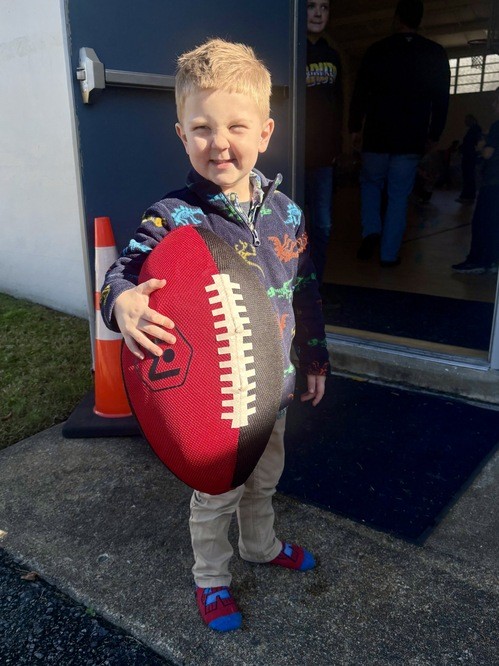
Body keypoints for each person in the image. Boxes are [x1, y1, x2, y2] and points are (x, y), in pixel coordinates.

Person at [100, 38, 330, 632]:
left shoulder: (288, 214)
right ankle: (211, 578)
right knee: (217, 494)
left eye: (236, 126)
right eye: (201, 127)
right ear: (182, 135)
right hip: (214, 402)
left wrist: (314, 360)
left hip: (274, 391)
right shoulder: (173, 216)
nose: (219, 142)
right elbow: (123, 271)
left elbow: (305, 292)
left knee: (266, 478)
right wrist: (122, 300)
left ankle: (260, 545)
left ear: (265, 132)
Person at [349, 0, 450, 267]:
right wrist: (434, 134)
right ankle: (388, 254)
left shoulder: (377, 50)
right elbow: (441, 99)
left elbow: (360, 93)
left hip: (377, 136)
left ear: (396, 18)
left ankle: (371, 230)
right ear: (420, 20)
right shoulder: (434, 53)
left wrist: (355, 127)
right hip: (410, 139)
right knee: (398, 196)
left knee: (371, 185)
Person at [305, 0, 343, 285]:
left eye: (324, 7)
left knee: (322, 224)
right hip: (294, 155)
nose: (318, 13)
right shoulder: (292, 51)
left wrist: (337, 146)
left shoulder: (333, 55)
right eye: (310, 6)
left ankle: (316, 287)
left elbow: (338, 104)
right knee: (291, 224)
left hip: (323, 157)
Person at [452, 88, 499, 274]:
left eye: (496, 101)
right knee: (494, 223)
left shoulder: (497, 126)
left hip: (493, 182)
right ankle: (491, 260)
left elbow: (488, 153)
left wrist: (481, 146)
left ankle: (478, 260)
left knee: (481, 222)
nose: (493, 105)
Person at [456, 114, 482, 204]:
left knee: (469, 176)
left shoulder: (475, 130)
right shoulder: (473, 130)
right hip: (468, 156)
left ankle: (468, 196)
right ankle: (466, 195)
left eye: (467, 120)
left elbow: (473, 143)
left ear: (472, 120)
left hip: (470, 157)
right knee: (467, 176)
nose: (465, 122)